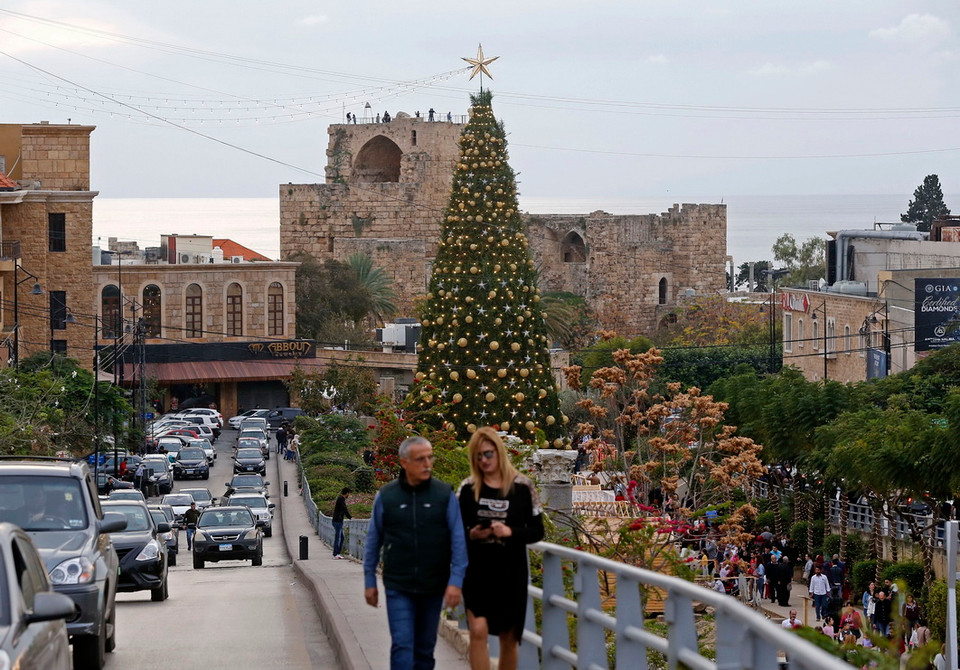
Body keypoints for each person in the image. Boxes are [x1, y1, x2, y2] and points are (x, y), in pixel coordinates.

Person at [363, 436, 467, 670]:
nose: (427, 464)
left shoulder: (444, 495)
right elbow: (373, 540)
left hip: (433, 585)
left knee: (424, 650)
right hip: (398, 584)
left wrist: (455, 582)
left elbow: (458, 540)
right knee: (402, 644)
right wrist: (369, 579)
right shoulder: (387, 496)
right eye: (420, 459)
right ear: (404, 462)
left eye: (430, 457)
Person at [457, 427, 543, 670]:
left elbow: (538, 531)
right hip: (477, 571)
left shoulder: (523, 487)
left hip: (510, 573)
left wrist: (510, 532)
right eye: (478, 456)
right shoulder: (467, 488)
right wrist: (472, 533)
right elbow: (453, 531)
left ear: (499, 452)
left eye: (488, 454)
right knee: (478, 630)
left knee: (508, 637)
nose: (484, 460)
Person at [332, 487, 352, 559]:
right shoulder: (341, 499)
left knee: (342, 537)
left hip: (338, 521)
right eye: (348, 493)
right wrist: (350, 517)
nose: (349, 495)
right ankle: (335, 554)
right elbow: (344, 509)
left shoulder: (341, 499)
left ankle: (338, 553)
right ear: (346, 493)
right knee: (338, 537)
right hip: (337, 521)